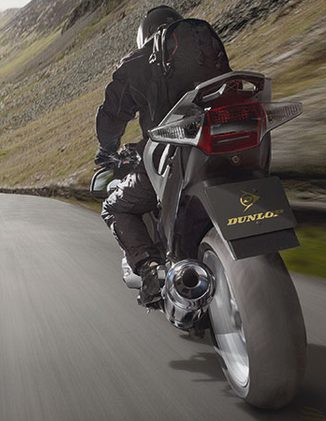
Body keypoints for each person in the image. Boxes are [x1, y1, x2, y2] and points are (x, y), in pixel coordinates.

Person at [95, 5, 230, 307]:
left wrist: (107, 149)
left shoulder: (137, 62)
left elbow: (112, 116)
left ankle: (151, 269)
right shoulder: (205, 49)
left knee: (115, 206)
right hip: (224, 139)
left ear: (144, 36)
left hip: (174, 153)